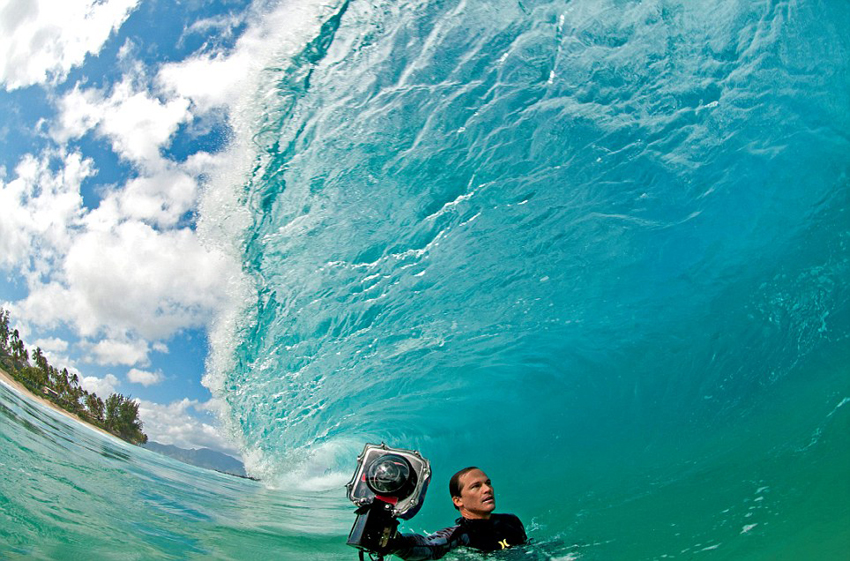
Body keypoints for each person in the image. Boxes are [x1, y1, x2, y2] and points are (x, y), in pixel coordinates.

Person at [389, 466, 527, 559]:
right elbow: (428, 546)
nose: (487, 489)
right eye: (476, 486)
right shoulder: (459, 536)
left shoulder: (511, 521)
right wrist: (394, 542)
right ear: (458, 501)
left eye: (488, 483)